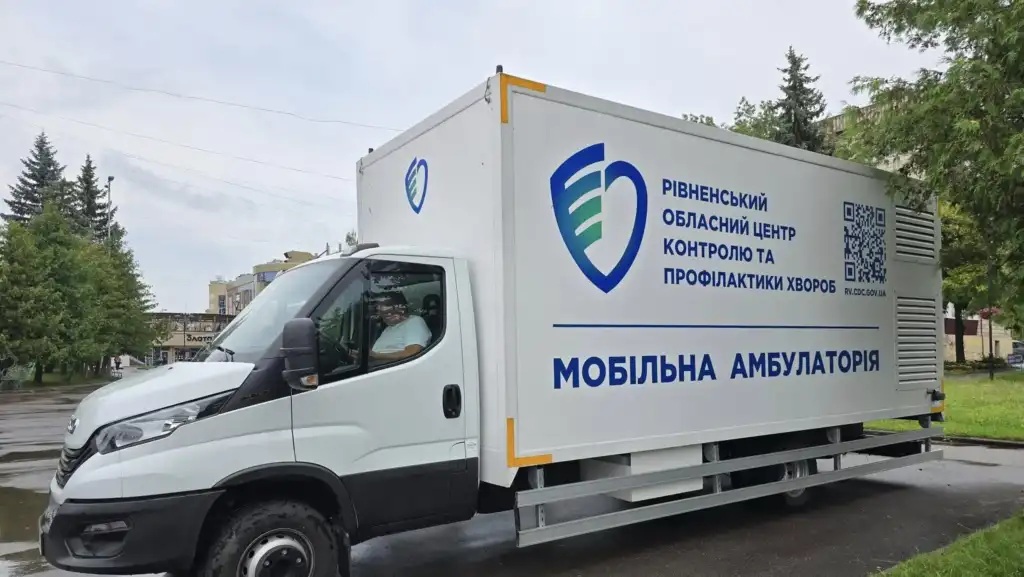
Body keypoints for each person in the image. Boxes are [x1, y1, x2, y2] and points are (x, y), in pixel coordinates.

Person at [368, 291, 432, 362]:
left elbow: (412, 353)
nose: (382, 311)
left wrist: (376, 356)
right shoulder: (388, 328)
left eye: (388, 306)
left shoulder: (414, 321)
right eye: (379, 307)